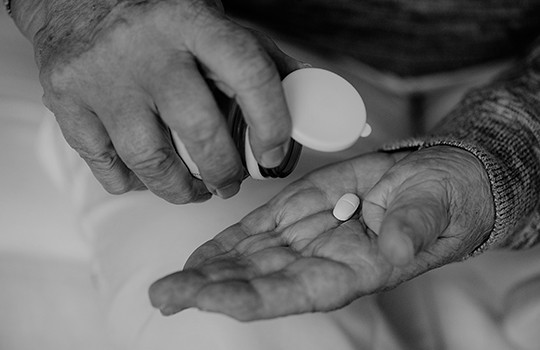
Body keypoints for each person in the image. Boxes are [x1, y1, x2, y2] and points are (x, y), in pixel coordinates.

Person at [6, 0, 540, 348]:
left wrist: (504, 147)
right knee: (214, 323)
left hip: (521, 67)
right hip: (228, 50)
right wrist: (77, 12)